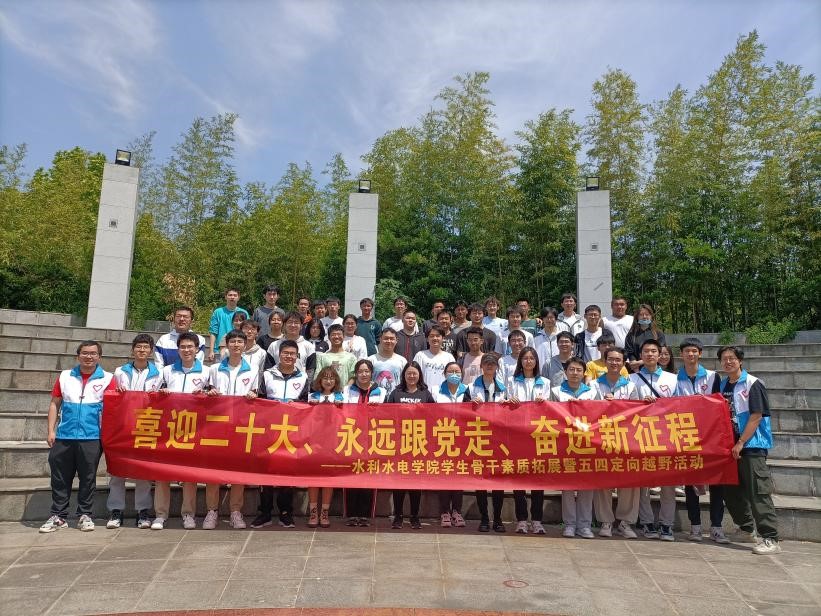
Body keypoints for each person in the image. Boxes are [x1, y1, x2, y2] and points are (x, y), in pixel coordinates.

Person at [40, 341, 116, 533]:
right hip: (64, 435)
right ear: (78, 356)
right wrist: (51, 430)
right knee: (59, 477)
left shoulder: (108, 378)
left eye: (93, 353)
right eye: (85, 353)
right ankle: (58, 515)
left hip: (92, 436)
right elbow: (55, 404)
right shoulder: (65, 376)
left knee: (88, 477)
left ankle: (85, 514)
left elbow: (114, 407)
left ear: (99, 357)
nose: (88, 356)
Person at [717, 345, 781, 555]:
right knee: (731, 492)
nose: (728, 362)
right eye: (724, 359)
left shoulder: (753, 383)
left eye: (732, 358)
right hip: (729, 447)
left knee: (758, 493)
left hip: (751, 446)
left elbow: (756, 416)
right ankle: (746, 529)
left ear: (740, 361)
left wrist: (741, 442)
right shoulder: (723, 384)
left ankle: (770, 538)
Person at [152, 332, 207, 530]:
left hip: (193, 428)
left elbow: (214, 397)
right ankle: (160, 514)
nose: (186, 350)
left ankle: (188, 514)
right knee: (162, 473)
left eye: (190, 347)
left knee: (189, 474)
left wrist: (205, 394)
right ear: (178, 350)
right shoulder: (167, 371)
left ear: (197, 349)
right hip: (168, 428)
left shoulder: (206, 372)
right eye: (182, 347)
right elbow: (153, 393)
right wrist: (162, 393)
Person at [204, 330, 258, 530]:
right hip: (217, 425)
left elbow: (256, 394)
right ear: (226, 345)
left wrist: (253, 395)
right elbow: (206, 393)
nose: (236, 345)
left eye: (239, 341)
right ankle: (212, 511)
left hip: (241, 426)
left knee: (237, 469)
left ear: (245, 345)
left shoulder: (253, 370)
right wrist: (210, 393)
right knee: (213, 470)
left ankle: (235, 511)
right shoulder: (214, 369)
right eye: (232, 341)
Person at [107, 334, 162, 530]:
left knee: (143, 471)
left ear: (151, 351)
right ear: (132, 350)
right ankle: (116, 510)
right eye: (138, 347)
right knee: (117, 470)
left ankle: (142, 511)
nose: (141, 350)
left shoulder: (159, 373)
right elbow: (111, 396)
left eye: (145, 347)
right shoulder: (119, 371)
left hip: (146, 425)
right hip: (122, 426)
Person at [253, 340, 309, 529]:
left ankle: (286, 512)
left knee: (287, 472)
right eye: (285, 353)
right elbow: (260, 400)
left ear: (297, 356)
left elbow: (306, 404)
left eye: (292, 354)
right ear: (279, 354)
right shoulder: (267, 375)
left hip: (291, 432)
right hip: (269, 432)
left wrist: (295, 405)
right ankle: (265, 512)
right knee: (265, 472)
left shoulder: (303, 377)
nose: (289, 356)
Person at [675, 337, 725, 543]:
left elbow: (719, 405)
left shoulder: (713, 377)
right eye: (687, 351)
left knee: (716, 483)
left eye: (694, 351)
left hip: (711, 436)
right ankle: (695, 526)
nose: (690, 354)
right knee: (690, 484)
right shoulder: (674, 379)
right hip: (687, 436)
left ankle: (716, 527)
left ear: (700, 353)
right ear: (681, 354)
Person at [630, 339, 678, 541]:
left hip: (667, 435)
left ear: (660, 355)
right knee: (643, 483)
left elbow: (680, 405)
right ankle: (647, 522)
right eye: (646, 351)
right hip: (640, 435)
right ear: (641, 355)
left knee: (668, 482)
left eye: (653, 351)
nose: (649, 354)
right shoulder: (631, 379)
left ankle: (667, 524)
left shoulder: (672, 379)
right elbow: (625, 406)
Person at [590, 346, 641, 539]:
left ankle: (626, 522)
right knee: (603, 480)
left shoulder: (630, 386)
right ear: (604, 361)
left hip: (625, 439)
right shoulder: (594, 384)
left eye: (618, 360)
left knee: (629, 481)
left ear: (623, 363)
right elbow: (588, 410)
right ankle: (606, 521)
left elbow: (637, 413)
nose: (614, 363)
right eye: (610, 359)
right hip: (601, 439)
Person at [550, 356, 601, 539]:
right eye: (571, 369)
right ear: (565, 372)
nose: (575, 373)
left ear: (584, 373)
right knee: (568, 487)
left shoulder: (592, 392)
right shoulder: (556, 391)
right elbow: (550, 417)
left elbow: (599, 416)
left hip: (587, 445)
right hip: (566, 445)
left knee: (587, 486)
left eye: (579, 370)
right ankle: (570, 524)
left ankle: (585, 525)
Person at [507, 347, 549, 535]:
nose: (528, 361)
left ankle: (537, 520)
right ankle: (522, 519)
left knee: (538, 480)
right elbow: (504, 403)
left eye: (532, 358)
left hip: (538, 436)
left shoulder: (545, 382)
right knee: (519, 480)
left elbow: (551, 408)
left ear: (536, 361)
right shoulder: (511, 381)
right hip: (518, 436)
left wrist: (543, 402)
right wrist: (510, 401)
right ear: (520, 361)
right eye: (525, 358)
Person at [388, 362, 435, 529]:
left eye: (414, 373)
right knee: (399, 482)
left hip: (419, 444)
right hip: (399, 444)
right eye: (409, 373)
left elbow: (435, 415)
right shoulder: (396, 393)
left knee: (415, 482)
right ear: (404, 375)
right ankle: (398, 516)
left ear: (419, 375)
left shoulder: (425, 394)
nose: (412, 376)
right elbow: (386, 414)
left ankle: (415, 516)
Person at [467, 353, 508, 532]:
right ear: (481, 366)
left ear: (497, 367)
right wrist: (470, 403)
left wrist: (509, 403)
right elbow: (462, 411)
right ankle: (484, 518)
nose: (489, 366)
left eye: (492, 364)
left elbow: (511, 411)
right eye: (486, 363)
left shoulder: (504, 387)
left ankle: (497, 518)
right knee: (481, 480)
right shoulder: (470, 387)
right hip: (478, 438)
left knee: (498, 480)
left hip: (498, 439)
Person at [342, 359, 385, 526]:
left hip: (372, 438)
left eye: (367, 371)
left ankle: (365, 514)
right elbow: (342, 411)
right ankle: (352, 514)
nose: (364, 374)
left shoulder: (381, 391)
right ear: (356, 373)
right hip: (351, 437)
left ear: (372, 373)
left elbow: (387, 414)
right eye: (360, 371)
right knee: (351, 474)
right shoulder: (347, 390)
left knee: (368, 475)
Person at [306, 366, 344, 528]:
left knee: (328, 479)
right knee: (313, 478)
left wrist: (341, 406)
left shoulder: (341, 397)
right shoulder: (312, 396)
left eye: (331, 378)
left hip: (333, 444)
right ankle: (313, 511)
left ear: (336, 381)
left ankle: (324, 512)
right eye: (325, 378)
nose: (328, 381)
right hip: (314, 444)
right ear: (320, 380)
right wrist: (310, 406)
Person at [434, 362, 467, 528]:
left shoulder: (467, 390)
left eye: (457, 371)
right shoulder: (436, 391)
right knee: (444, 474)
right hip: (443, 437)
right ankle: (444, 511)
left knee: (459, 475)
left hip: (462, 439)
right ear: (444, 374)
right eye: (450, 371)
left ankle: (457, 511)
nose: (454, 374)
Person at [154, 306, 206, 370]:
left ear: (191, 321)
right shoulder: (163, 340)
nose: (181, 319)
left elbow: (197, 364)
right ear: (173, 320)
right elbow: (159, 365)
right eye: (178, 316)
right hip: (167, 376)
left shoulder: (200, 340)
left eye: (185, 317)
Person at [208, 288, 250, 362]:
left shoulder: (244, 312)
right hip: (220, 350)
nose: (232, 297)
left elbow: (247, 331)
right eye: (230, 295)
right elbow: (213, 332)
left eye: (235, 295)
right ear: (225, 297)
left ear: (238, 297)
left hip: (240, 350)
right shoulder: (218, 312)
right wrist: (211, 350)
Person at [624, 304, 666, 372]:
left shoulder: (658, 333)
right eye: (641, 315)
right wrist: (636, 368)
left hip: (656, 369)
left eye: (647, 314)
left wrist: (641, 362)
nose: (644, 317)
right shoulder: (631, 334)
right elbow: (630, 353)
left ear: (651, 316)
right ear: (637, 317)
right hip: (637, 370)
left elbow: (661, 351)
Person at [413, 326, 456, 393]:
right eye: (432, 336)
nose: (435, 338)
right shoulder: (420, 355)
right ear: (427, 339)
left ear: (443, 338)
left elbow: (454, 378)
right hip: (424, 394)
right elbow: (414, 375)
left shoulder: (449, 357)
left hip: (444, 394)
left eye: (438, 336)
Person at [368, 328, 407, 399]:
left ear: (396, 340)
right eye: (386, 338)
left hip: (396, 400)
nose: (389, 341)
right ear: (380, 340)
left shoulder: (402, 361)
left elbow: (405, 383)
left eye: (392, 339)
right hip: (374, 399)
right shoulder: (371, 360)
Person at [534, 307, 568, 373]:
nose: (549, 320)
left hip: (560, 372)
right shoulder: (536, 337)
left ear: (556, 319)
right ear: (542, 319)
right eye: (546, 317)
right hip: (541, 372)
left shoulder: (562, 336)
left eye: (551, 317)